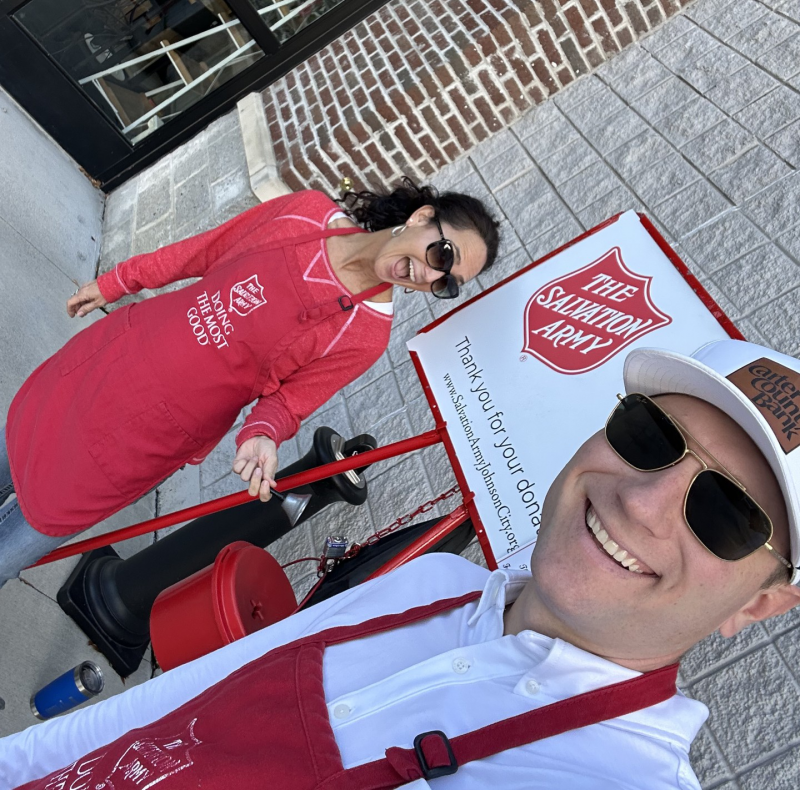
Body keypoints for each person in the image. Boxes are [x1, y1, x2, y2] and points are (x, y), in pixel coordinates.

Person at [3, 337, 799, 790]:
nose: (642, 502)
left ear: (755, 606)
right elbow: (165, 706)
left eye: (727, 516)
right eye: (650, 436)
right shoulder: (435, 582)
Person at [0, 180, 499, 588]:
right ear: (421, 216)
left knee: (25, 537)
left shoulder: (366, 335)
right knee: (13, 448)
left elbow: (288, 404)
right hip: (117, 359)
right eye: (442, 255)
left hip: (152, 432)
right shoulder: (305, 212)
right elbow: (204, 251)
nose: (429, 276)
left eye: (445, 283)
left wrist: (262, 434)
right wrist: (118, 281)